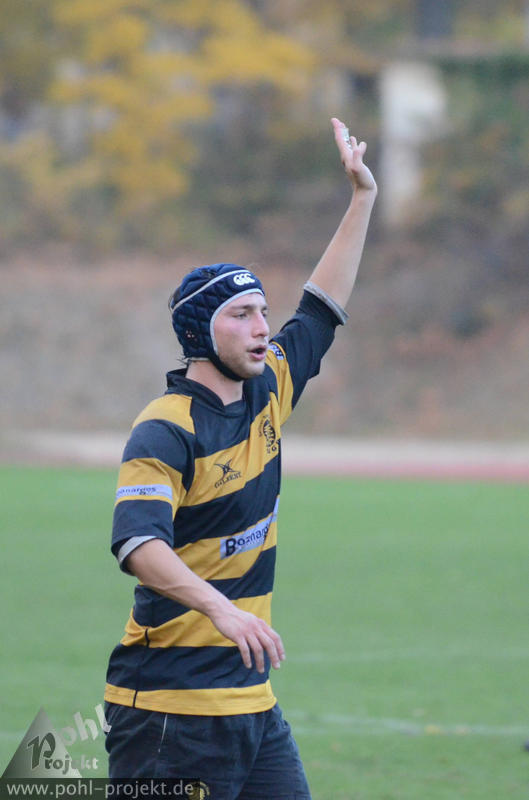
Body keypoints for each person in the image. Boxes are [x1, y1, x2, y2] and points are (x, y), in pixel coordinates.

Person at [103, 117, 377, 799]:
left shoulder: (269, 390)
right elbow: (137, 544)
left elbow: (321, 308)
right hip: (167, 710)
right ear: (201, 331)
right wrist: (220, 609)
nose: (261, 327)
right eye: (241, 314)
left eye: (262, 311)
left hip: (251, 705)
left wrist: (361, 198)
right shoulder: (164, 428)